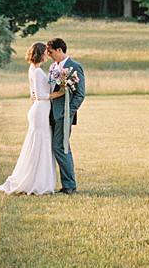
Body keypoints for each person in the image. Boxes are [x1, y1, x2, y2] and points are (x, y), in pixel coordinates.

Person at [0, 42, 62, 195]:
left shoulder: (33, 69)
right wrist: (57, 94)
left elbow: (34, 93)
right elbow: (40, 95)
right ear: (40, 54)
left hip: (41, 111)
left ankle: (39, 179)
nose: (47, 55)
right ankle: (37, 182)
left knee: (39, 145)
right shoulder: (36, 72)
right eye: (45, 52)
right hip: (40, 111)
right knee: (39, 145)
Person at [46, 37, 85, 194]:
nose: (49, 55)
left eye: (51, 52)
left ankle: (69, 186)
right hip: (50, 114)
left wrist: (68, 112)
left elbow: (80, 94)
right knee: (58, 147)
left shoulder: (74, 67)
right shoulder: (53, 67)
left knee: (61, 147)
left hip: (64, 115)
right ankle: (65, 184)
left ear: (59, 50)